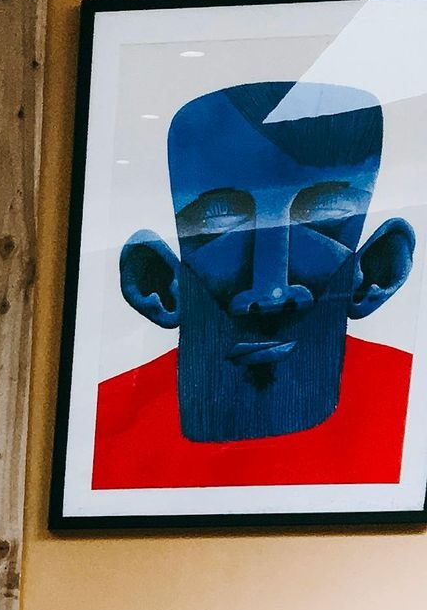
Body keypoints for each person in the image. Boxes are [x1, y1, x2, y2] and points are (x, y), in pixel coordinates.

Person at [93, 79, 416, 488]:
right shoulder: (103, 426)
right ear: (154, 282)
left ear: (378, 270)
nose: (271, 292)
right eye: (221, 217)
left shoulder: (409, 406)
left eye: (324, 213)